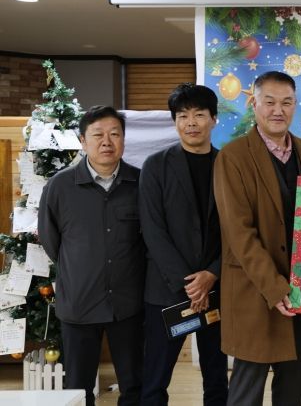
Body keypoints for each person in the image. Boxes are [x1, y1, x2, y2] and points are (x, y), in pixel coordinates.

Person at [213, 71, 301, 406]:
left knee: (292, 389)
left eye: (286, 102)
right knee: (247, 389)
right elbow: (239, 233)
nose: (278, 110)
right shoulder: (233, 156)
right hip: (254, 290)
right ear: (254, 104)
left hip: (298, 293)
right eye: (269, 102)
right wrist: (274, 288)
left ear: (295, 105)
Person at [38, 105, 144, 405]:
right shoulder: (60, 186)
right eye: (98, 135)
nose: (106, 142)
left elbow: (148, 240)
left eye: (114, 134)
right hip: (79, 304)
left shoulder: (141, 182)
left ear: (123, 139)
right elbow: (51, 241)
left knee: (134, 386)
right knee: (78, 388)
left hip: (128, 304)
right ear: (83, 141)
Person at [139, 84, 228, 405]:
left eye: (199, 115)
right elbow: (152, 229)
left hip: (217, 289)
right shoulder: (156, 165)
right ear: (175, 121)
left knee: (216, 377)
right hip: (167, 290)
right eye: (182, 116)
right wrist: (190, 283)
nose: (191, 123)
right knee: (155, 379)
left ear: (214, 119)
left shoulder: (228, 165)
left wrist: (212, 274)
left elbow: (237, 229)